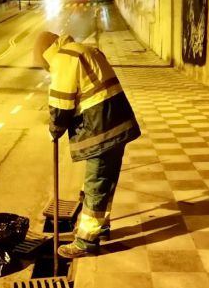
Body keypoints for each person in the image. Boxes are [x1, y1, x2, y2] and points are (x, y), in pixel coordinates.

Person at [34, 31, 141, 258]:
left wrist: (54, 131)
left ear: (46, 54)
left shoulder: (64, 59)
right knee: (106, 181)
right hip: (117, 122)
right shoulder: (84, 49)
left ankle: (86, 242)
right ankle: (101, 226)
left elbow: (61, 105)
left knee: (95, 183)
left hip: (103, 129)